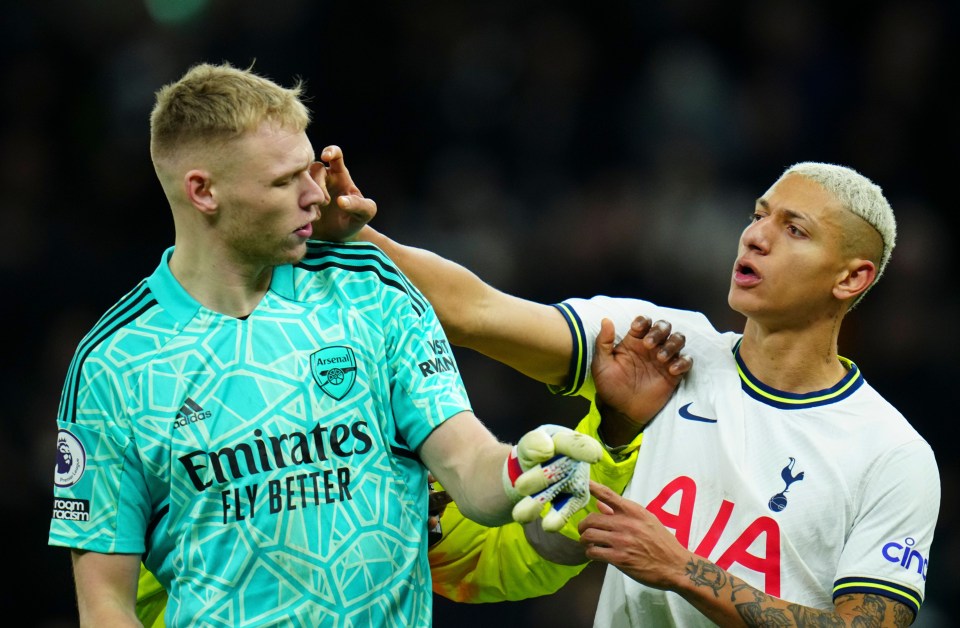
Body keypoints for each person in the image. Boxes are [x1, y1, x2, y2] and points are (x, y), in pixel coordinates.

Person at [46, 61, 649, 627]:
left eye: (310, 168)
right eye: (285, 181)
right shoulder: (114, 364)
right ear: (203, 192)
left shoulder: (372, 292)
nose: (317, 194)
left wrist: (523, 467)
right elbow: (103, 600)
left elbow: (469, 467)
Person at [357, 161, 941, 626]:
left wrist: (682, 568)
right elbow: (474, 310)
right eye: (758, 215)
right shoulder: (663, 346)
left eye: (794, 230)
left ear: (851, 278)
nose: (756, 237)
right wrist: (348, 231)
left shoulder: (892, 454)